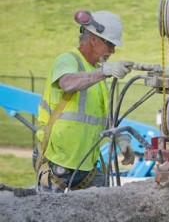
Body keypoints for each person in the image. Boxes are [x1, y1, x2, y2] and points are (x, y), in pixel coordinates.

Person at [34, 10, 134, 193]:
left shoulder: (95, 73)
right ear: (93, 38)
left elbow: (100, 116)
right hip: (59, 166)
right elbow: (68, 83)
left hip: (86, 166)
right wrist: (105, 71)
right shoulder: (67, 60)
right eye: (110, 44)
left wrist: (119, 138)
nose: (113, 50)